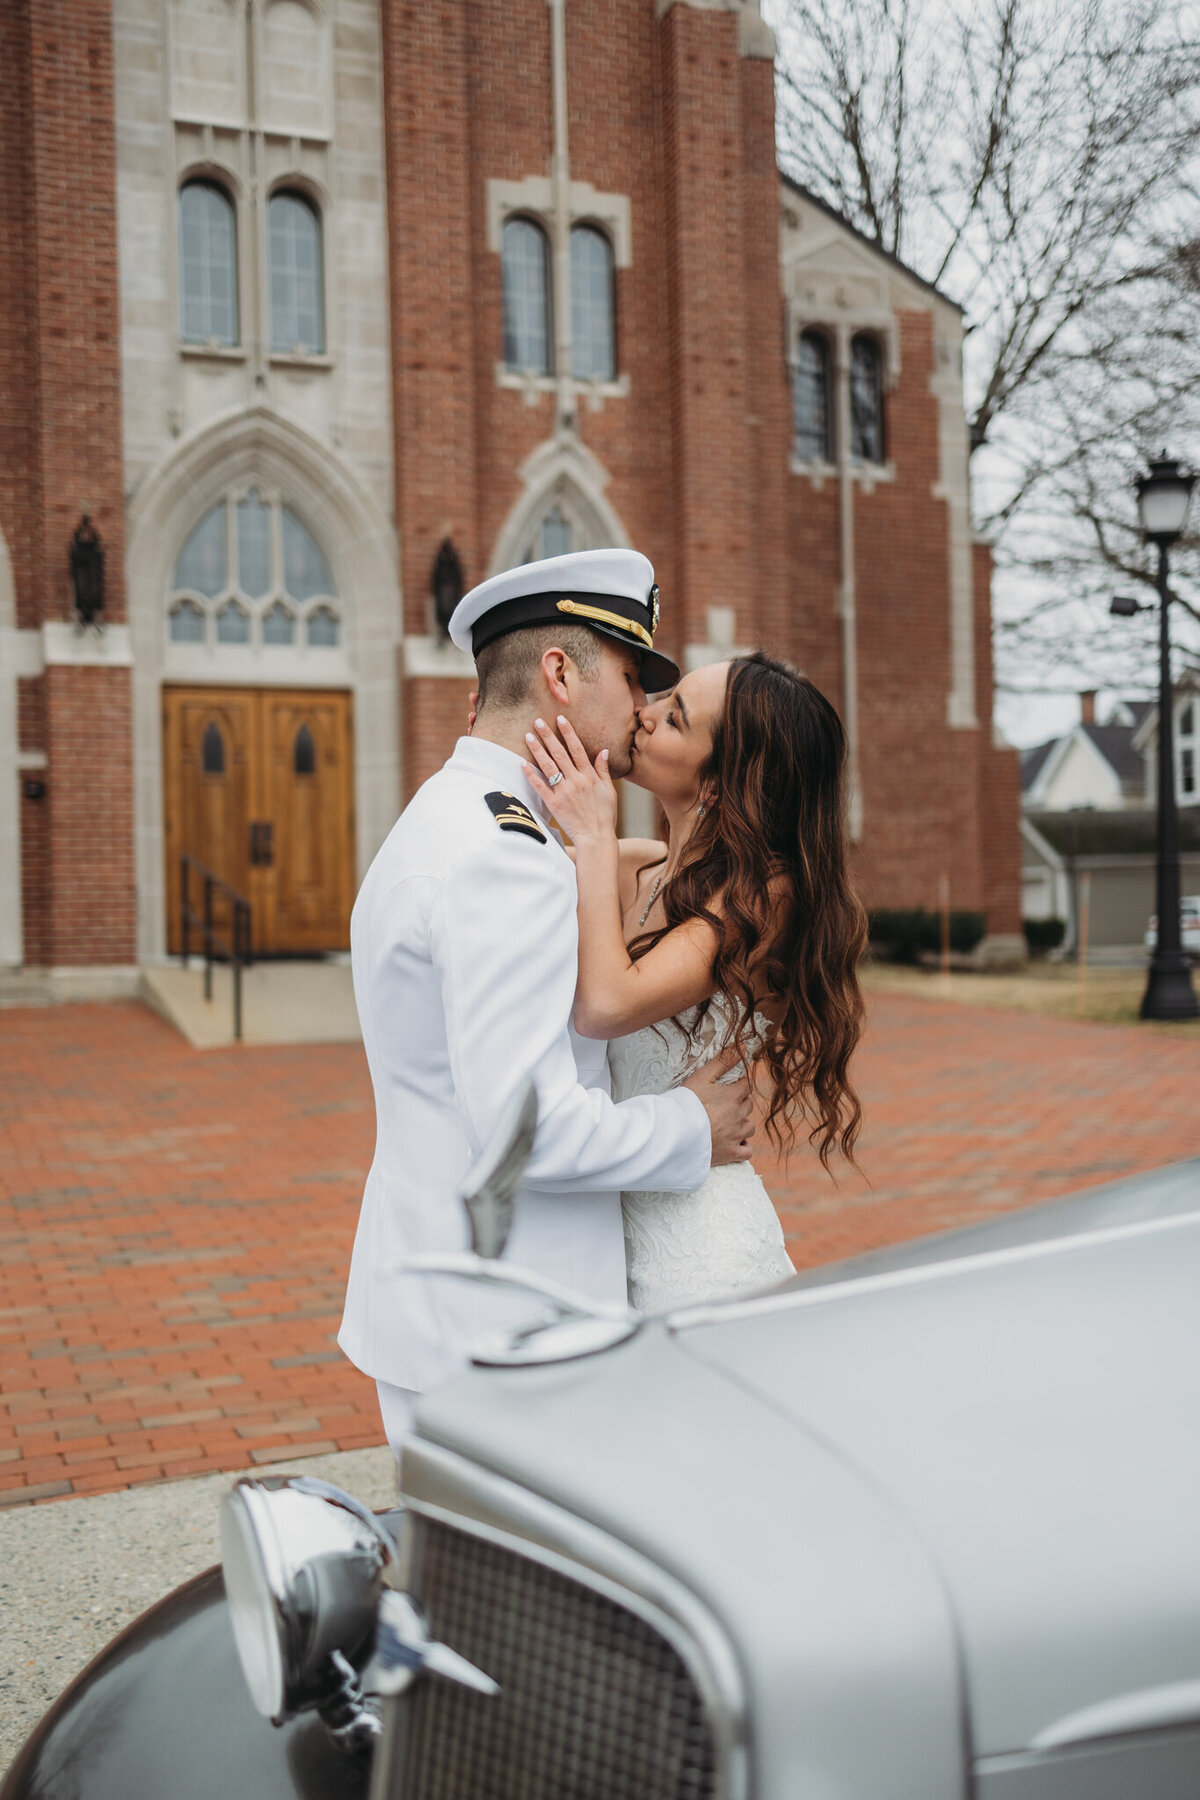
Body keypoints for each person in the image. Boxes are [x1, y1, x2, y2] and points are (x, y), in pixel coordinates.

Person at [337, 549, 756, 1459]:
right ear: (562, 675)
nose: (641, 709)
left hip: (447, 1302)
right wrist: (692, 1127)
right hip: (511, 1329)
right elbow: (527, 1132)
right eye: (634, 678)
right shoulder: (506, 857)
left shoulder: (447, 815)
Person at [520, 651, 867, 1310]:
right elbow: (509, 865)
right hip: (615, 1241)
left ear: (719, 783)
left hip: (704, 1257)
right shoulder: (642, 872)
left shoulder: (767, 896)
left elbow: (604, 1005)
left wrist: (595, 835)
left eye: (674, 718)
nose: (643, 716)